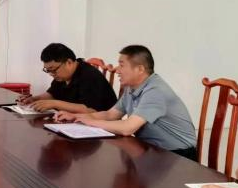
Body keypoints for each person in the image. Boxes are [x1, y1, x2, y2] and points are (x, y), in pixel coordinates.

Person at [54, 45, 197, 160]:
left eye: (122, 65)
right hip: (151, 149)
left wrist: (90, 122)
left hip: (177, 156)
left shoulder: (155, 91)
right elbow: (111, 115)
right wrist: (76, 116)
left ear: (140, 69)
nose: (117, 70)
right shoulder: (132, 87)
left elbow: (127, 128)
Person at [17, 43, 117, 113]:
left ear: (69, 62)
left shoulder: (89, 76)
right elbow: (52, 94)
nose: (51, 74)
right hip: (76, 120)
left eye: (53, 69)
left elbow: (90, 110)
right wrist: (34, 99)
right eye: (48, 70)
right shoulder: (62, 76)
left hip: (102, 127)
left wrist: (54, 104)